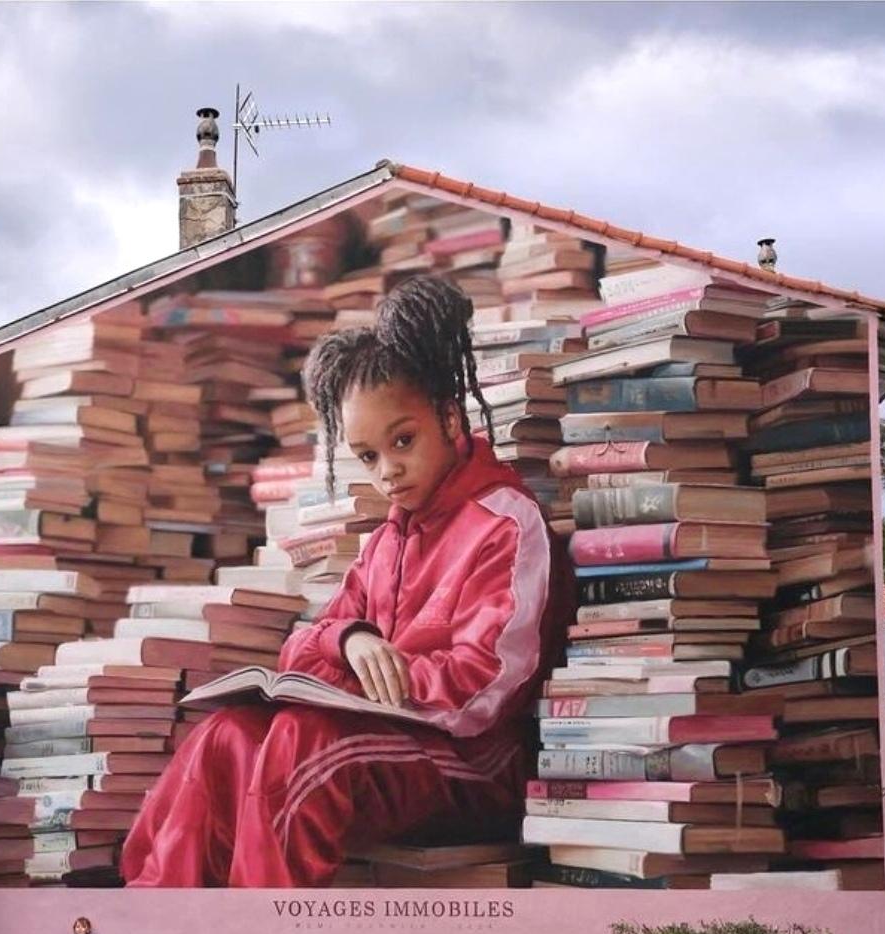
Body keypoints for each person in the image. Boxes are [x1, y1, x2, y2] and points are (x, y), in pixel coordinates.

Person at [119, 275, 575, 888]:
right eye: (367, 456)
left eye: (403, 441)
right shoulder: (386, 543)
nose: (389, 471)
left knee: (308, 744)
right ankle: (155, 917)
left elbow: (485, 690)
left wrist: (377, 685)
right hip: (386, 740)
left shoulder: (506, 523)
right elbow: (303, 646)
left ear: (449, 415)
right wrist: (352, 643)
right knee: (226, 735)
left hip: (476, 761)